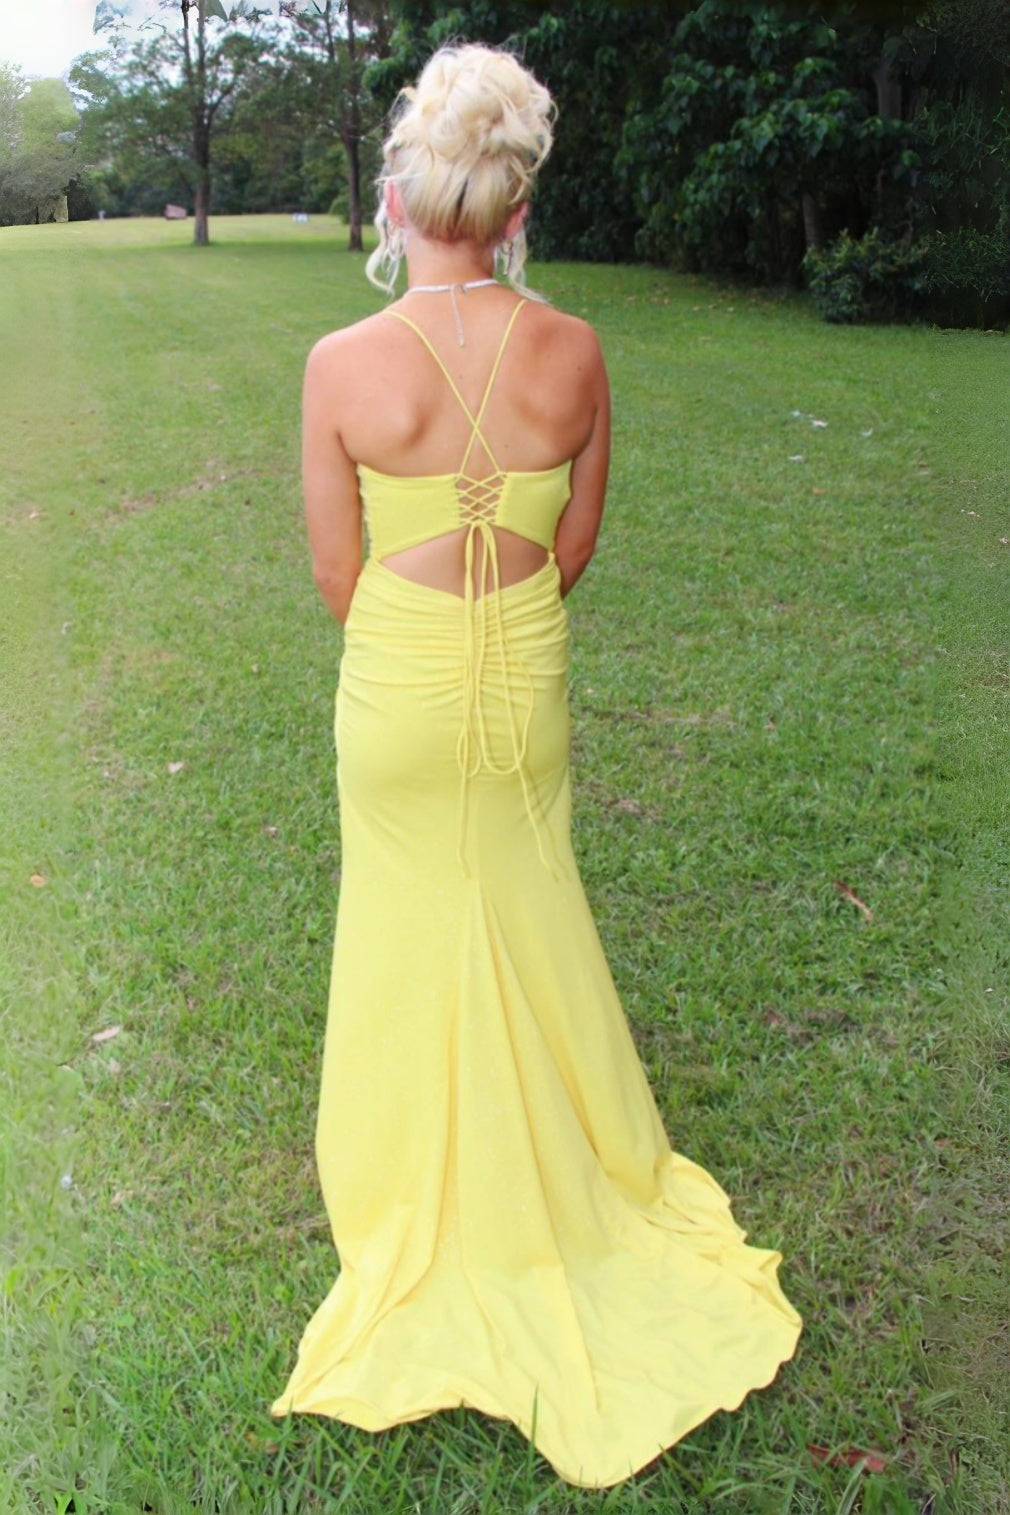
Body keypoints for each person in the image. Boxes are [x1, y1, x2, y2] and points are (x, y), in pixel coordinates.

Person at [271, 42, 802, 1489]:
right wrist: (495, 634)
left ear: (398, 198)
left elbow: (336, 574)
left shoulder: (340, 365)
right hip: (524, 673)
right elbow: (572, 549)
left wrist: (420, 647)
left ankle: (419, 1185)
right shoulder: (573, 350)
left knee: (406, 923)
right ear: (516, 208)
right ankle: (557, 1176)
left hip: (397, 686)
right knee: (525, 899)